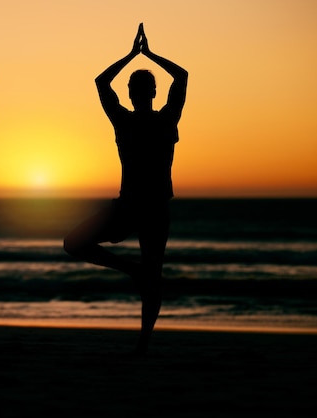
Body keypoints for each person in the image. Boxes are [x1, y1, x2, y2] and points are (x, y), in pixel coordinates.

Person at [63, 23, 187, 355]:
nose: (136, 92)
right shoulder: (140, 120)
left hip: (149, 207)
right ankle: (135, 279)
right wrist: (145, 55)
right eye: (136, 86)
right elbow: (181, 77)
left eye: (137, 86)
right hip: (134, 205)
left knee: (150, 274)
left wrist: (135, 55)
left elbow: (103, 82)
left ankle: (143, 340)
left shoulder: (157, 119)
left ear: (139, 92)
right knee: (76, 244)